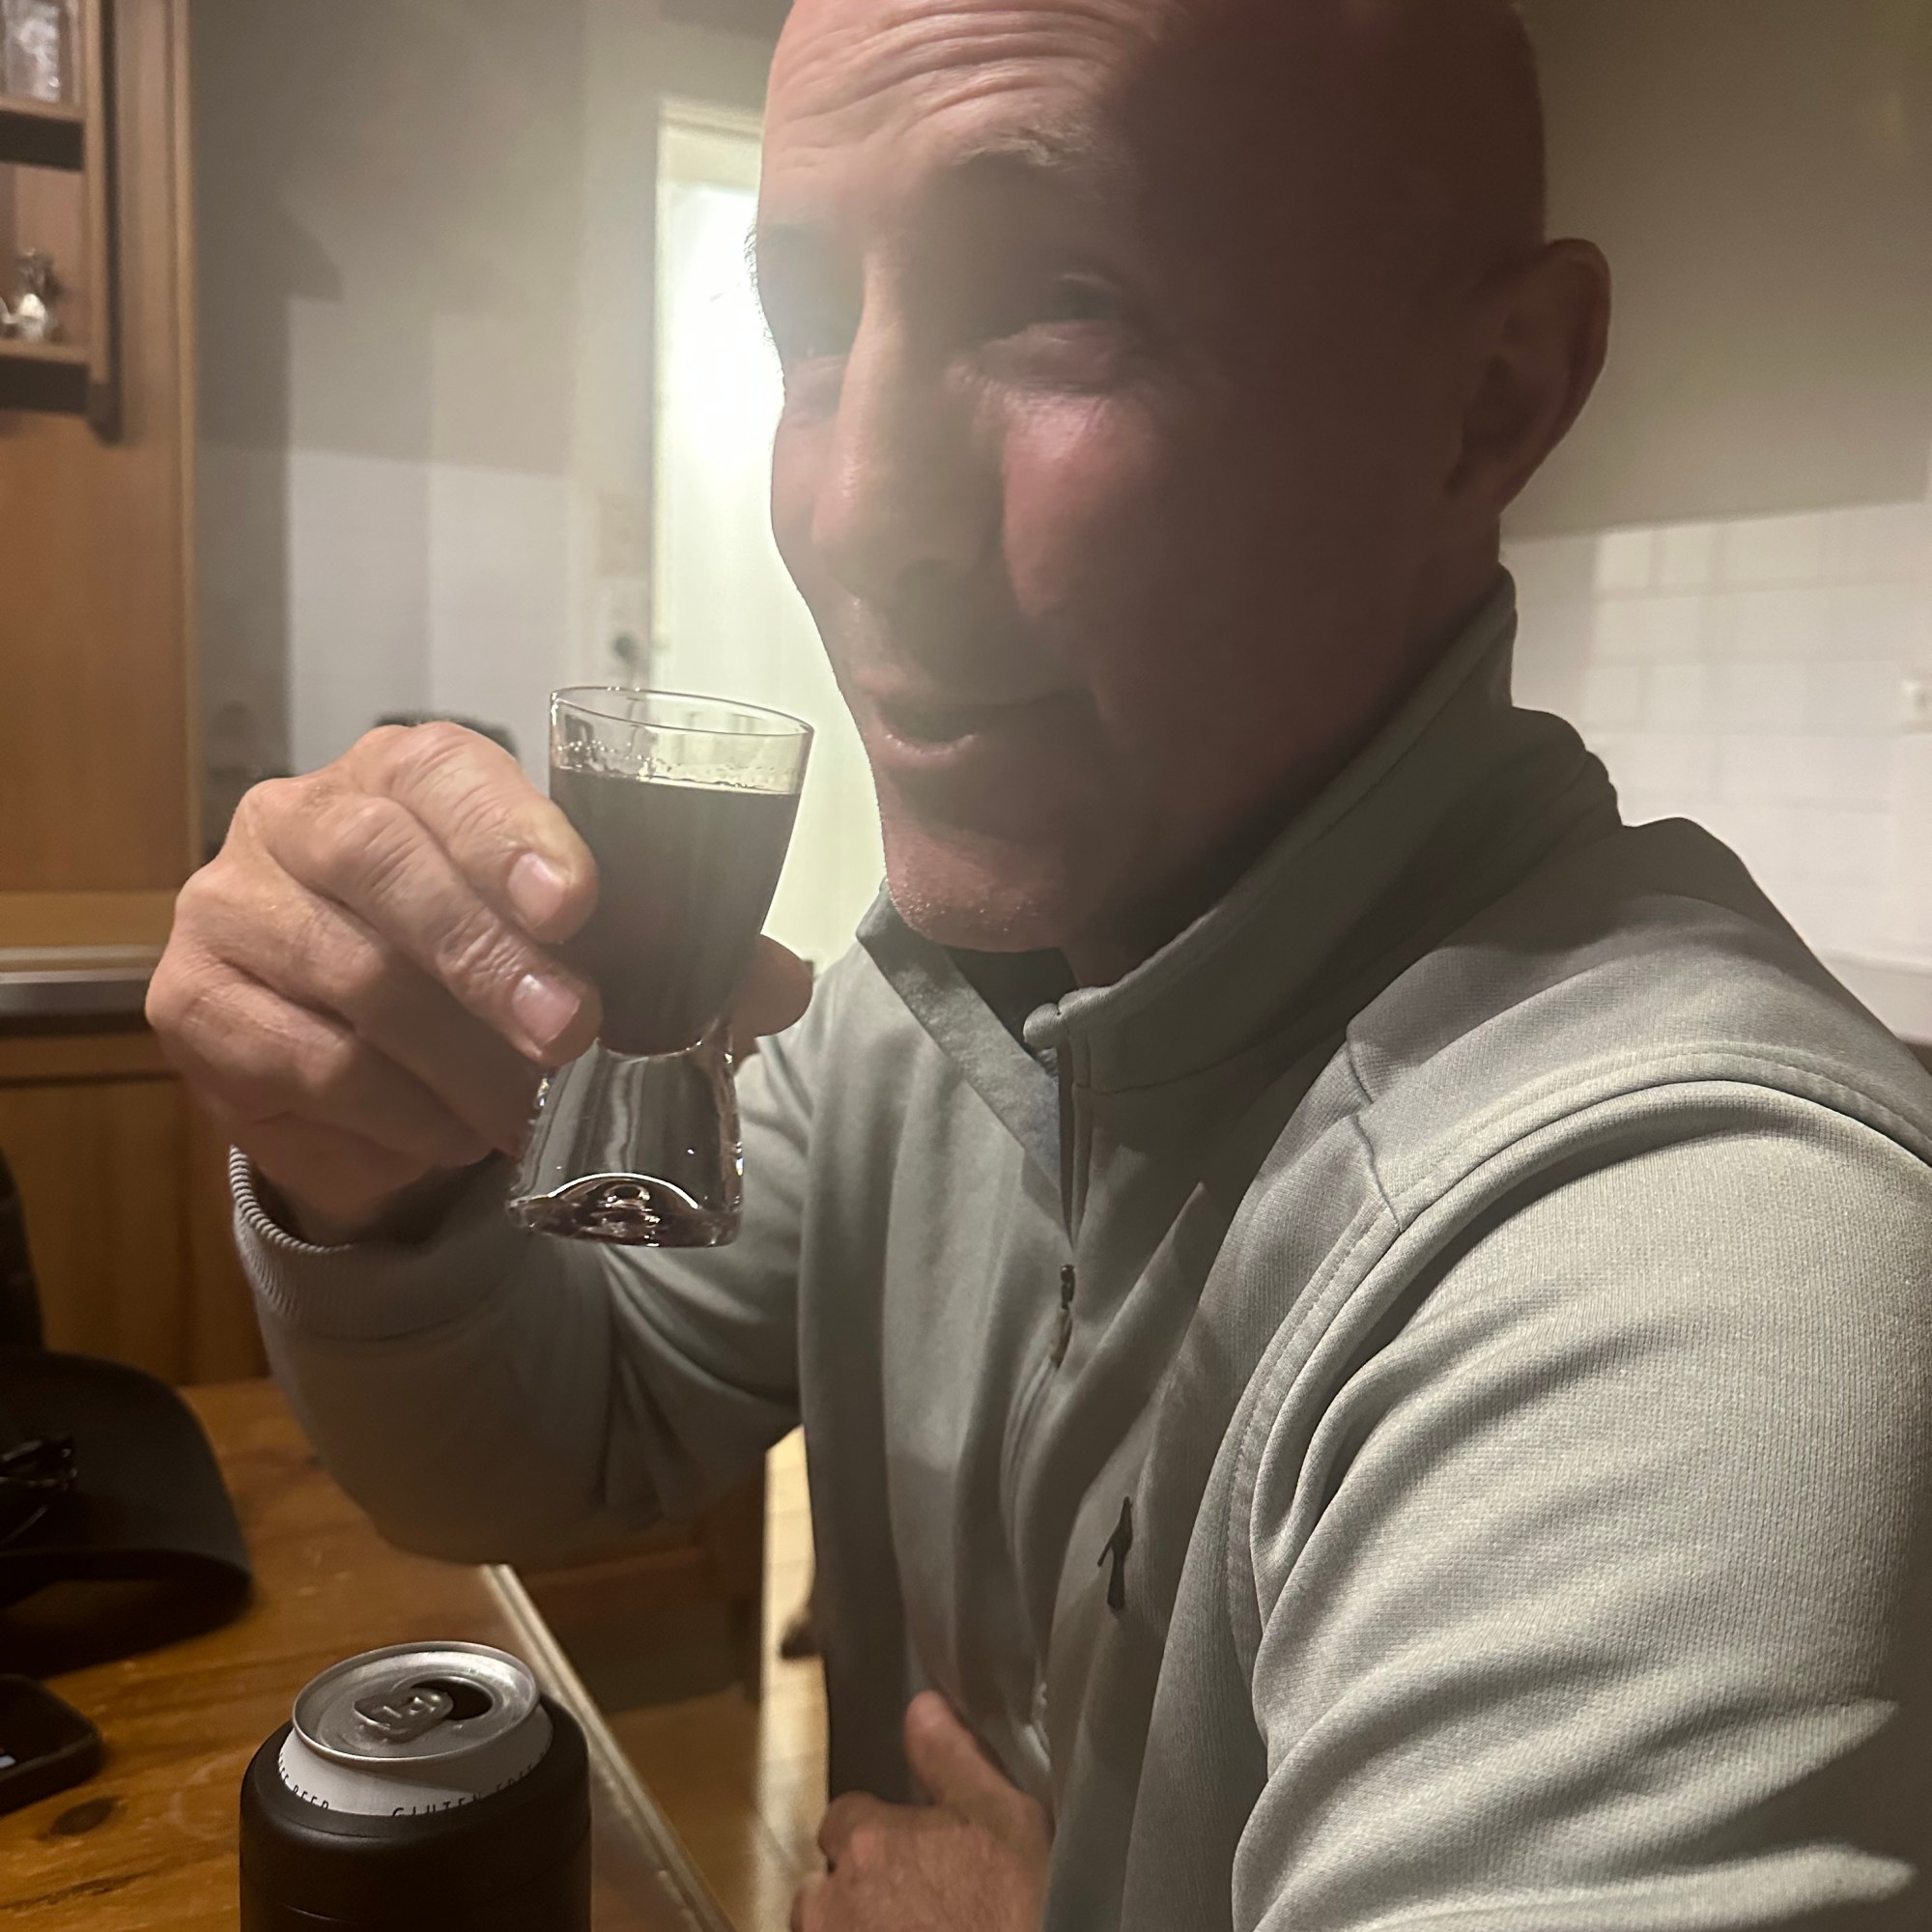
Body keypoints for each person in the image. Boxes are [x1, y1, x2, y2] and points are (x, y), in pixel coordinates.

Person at [149, 0, 1932, 1926]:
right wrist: (371, 1178)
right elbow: (552, 1435)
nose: (851, 516)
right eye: (807, 324)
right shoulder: (927, 1010)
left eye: (1063, 300)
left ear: (1488, 400)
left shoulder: (1686, 1263)